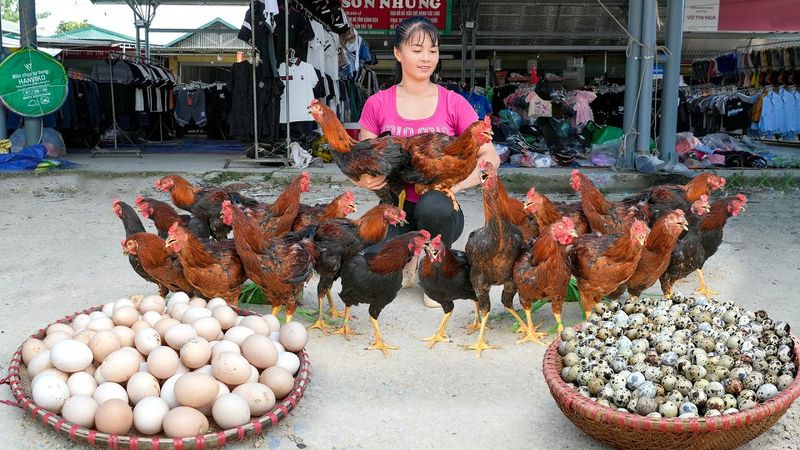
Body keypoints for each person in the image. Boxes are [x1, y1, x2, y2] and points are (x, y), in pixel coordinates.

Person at [353, 16, 500, 307]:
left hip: (441, 211)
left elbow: (491, 158)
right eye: (417, 49)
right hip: (397, 207)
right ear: (398, 53)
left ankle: (435, 272)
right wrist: (364, 179)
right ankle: (410, 259)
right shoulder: (378, 103)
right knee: (372, 256)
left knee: (434, 204)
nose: (426, 58)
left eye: (432, 50)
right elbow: (360, 158)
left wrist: (454, 189)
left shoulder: (453, 103)